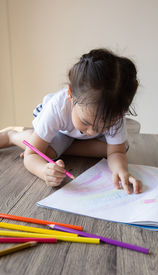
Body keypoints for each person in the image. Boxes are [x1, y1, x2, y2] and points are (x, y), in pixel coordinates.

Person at [0, 48, 142, 194]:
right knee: (47, 153)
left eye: (104, 126)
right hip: (61, 131)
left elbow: (116, 153)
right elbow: (31, 155)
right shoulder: (57, 108)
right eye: (86, 122)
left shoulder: (113, 111)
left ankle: (63, 144)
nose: (92, 132)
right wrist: (44, 171)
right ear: (70, 94)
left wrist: (122, 171)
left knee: (121, 148)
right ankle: (12, 136)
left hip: (75, 136)